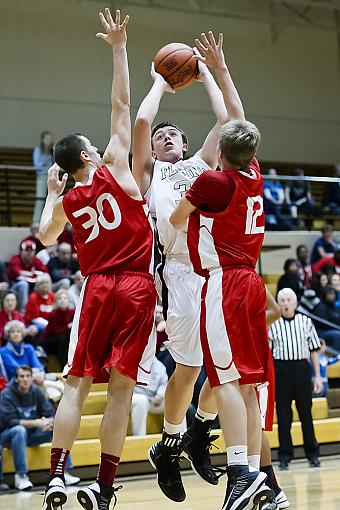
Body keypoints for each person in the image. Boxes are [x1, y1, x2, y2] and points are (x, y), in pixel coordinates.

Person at [39, 10, 156, 510]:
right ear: (89, 156)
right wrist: (119, 47)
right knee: (120, 392)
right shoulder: (113, 169)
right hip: (135, 287)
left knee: (75, 387)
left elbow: (45, 239)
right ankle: (104, 487)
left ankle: (56, 480)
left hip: (96, 288)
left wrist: (50, 193)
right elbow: (123, 102)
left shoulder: (67, 202)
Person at [170, 32, 274, 510]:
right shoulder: (253, 172)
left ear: (221, 152)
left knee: (227, 380)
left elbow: (174, 219)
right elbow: (237, 118)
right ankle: (253, 474)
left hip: (224, 282)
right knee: (249, 382)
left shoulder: (214, 181)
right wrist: (218, 69)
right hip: (253, 281)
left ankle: (238, 472)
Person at [133, 24, 235, 502]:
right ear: (152, 151)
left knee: (226, 370)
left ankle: (200, 430)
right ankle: (170, 446)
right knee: (190, 369)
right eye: (161, 136)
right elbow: (139, 123)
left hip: (217, 271)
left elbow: (231, 118)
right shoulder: (149, 176)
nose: (166, 135)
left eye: (174, 132)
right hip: (178, 272)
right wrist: (160, 81)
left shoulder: (201, 162)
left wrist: (212, 72)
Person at [268, 288, 323, 470]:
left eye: (288, 300)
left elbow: (314, 351)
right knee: (283, 416)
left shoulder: (305, 321)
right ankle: (284, 456)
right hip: (281, 370)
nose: (285, 303)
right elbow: (267, 354)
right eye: (282, 300)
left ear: (295, 302)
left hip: (301, 369)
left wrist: (317, 377)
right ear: (277, 302)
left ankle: (313, 454)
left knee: (306, 414)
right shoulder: (272, 324)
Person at [0, 365, 79, 490]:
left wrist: (50, 422)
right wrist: (36, 423)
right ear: (16, 379)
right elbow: (10, 421)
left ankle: (62, 473)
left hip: (32, 434)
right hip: (9, 436)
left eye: (28, 376)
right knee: (19, 430)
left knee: (58, 428)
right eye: (22, 376)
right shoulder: (6, 395)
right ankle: (21, 476)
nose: (25, 379)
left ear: (32, 378)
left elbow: (50, 413)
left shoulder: (36, 391)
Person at [7, 240, 48, 312]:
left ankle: (42, 309)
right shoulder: (15, 259)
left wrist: (30, 274)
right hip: (15, 286)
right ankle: (24, 311)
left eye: (31, 250)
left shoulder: (36, 261)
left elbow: (45, 272)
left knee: (44, 280)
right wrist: (33, 274)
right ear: (21, 251)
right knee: (23, 284)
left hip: (32, 285)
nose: (29, 253)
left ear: (34, 252)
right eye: (26, 250)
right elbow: (17, 272)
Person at [131, 357, 168, 435]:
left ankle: (179, 438)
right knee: (142, 401)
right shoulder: (131, 362)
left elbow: (164, 384)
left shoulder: (159, 365)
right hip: (134, 396)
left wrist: (159, 396)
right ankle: (139, 437)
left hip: (154, 399)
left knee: (176, 403)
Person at [41, 290, 75, 370]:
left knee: (68, 338)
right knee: (63, 337)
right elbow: (55, 331)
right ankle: (64, 366)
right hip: (49, 341)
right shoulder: (53, 314)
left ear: (68, 301)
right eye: (59, 298)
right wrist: (68, 326)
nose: (62, 300)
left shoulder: (73, 312)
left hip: (63, 341)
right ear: (55, 302)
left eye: (64, 298)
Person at [32, 131, 54, 223]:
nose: (48, 141)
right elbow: (37, 165)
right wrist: (44, 164)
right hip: (42, 177)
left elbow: (55, 164)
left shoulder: (52, 151)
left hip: (52, 177)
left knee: (52, 200)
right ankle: (36, 221)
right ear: (42, 140)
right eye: (46, 139)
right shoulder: (38, 150)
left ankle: (50, 221)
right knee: (40, 199)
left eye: (50, 139)